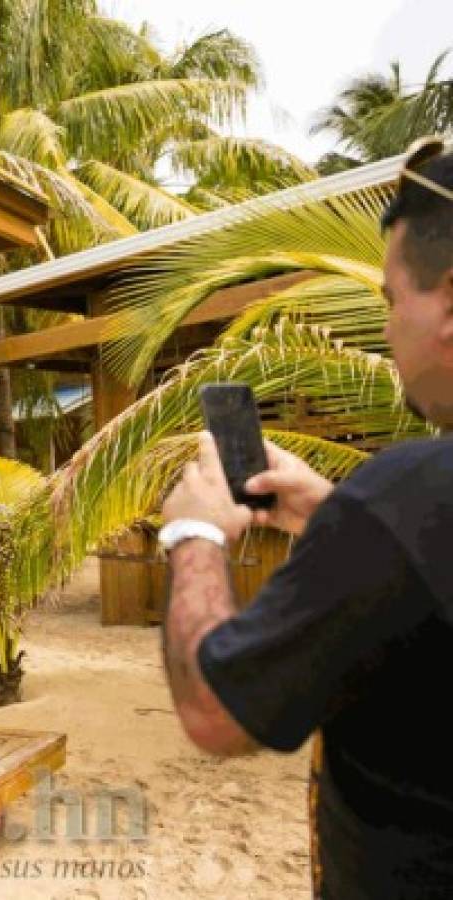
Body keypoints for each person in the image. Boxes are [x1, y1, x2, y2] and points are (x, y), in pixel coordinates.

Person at [158, 137, 453, 898]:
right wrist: (336, 512)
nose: (387, 329)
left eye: (392, 300)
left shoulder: (410, 495)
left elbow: (214, 714)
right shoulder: (402, 513)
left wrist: (191, 535)